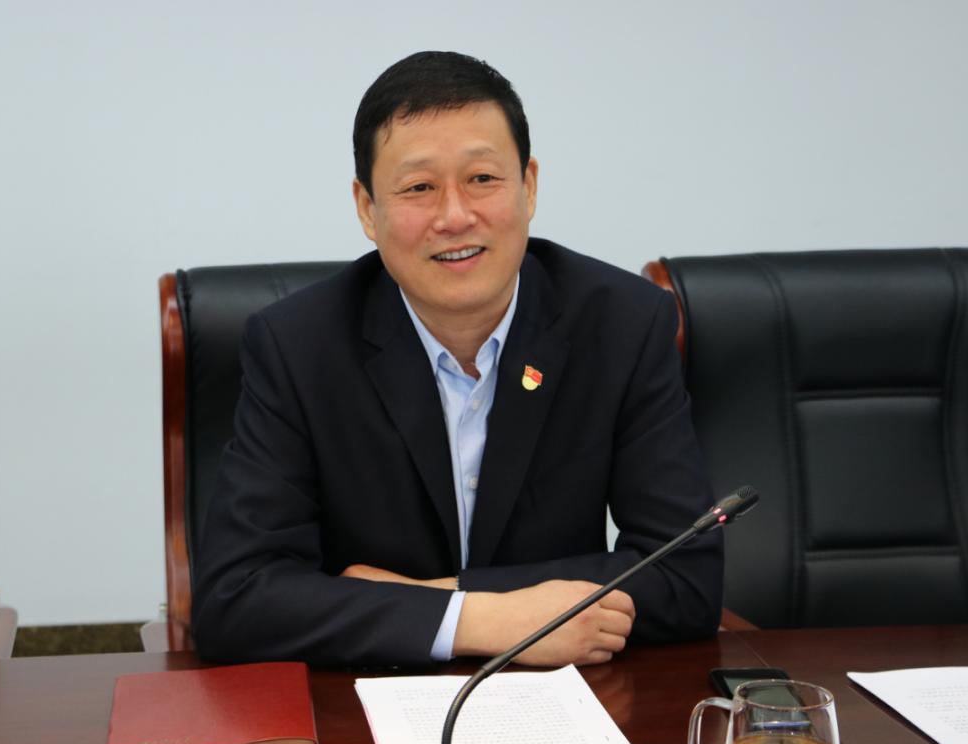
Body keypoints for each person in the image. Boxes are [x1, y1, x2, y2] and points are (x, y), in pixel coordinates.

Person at [191, 51, 723, 668]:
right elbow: (235, 600)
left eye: (483, 179)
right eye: (419, 188)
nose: (454, 216)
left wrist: (439, 597)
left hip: (567, 701)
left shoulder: (623, 325)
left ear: (528, 185)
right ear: (367, 208)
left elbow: (685, 575)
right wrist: (485, 619)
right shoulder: (297, 346)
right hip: (365, 699)